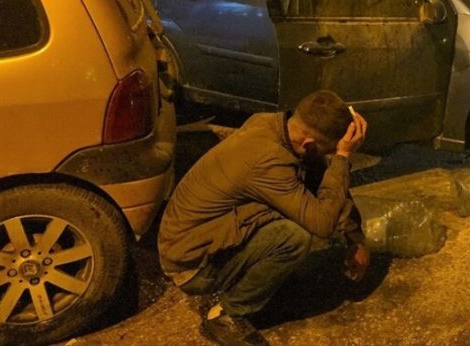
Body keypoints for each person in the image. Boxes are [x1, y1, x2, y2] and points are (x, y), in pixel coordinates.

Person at [158, 90, 369, 345]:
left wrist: (355, 239)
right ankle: (227, 313)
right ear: (309, 144)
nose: (330, 156)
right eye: (328, 151)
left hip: (203, 235)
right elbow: (322, 222)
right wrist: (343, 158)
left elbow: (318, 176)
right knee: (294, 237)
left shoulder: (274, 124)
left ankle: (263, 282)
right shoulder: (269, 162)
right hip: (190, 264)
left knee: (301, 196)